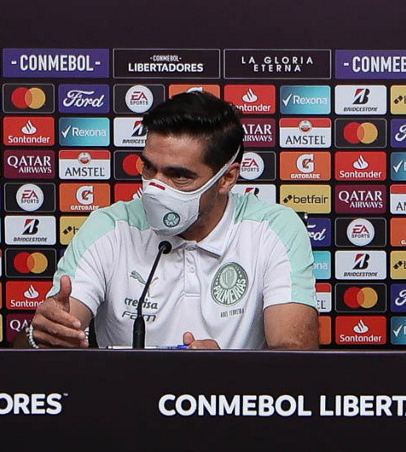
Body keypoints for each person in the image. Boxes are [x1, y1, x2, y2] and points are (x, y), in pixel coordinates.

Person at [22, 91, 319, 350]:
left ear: (227, 178)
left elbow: (295, 353)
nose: (155, 189)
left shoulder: (273, 229)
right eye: (150, 169)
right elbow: (57, 330)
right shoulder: (108, 228)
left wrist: (227, 372)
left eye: (179, 176)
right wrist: (44, 334)